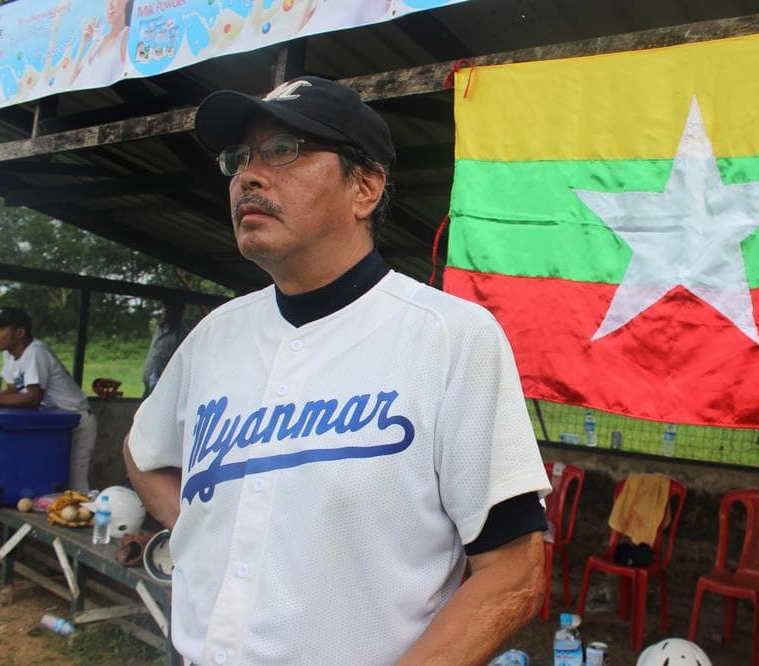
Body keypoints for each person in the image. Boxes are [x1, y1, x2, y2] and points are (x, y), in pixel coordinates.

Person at [124, 76, 551, 665]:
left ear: (365, 188)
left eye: (284, 150)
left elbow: (514, 573)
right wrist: (201, 532)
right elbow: (143, 452)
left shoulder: (451, 338)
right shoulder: (215, 334)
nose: (248, 175)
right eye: (239, 158)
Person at [0, 307, 97, 492]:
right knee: (49, 480)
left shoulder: (35, 352)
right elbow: (12, 392)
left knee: (74, 480)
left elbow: (32, 398)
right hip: (52, 422)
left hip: (76, 418)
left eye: (0, 329)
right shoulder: (9, 355)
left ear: (20, 333)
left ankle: (83, 517)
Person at [70, 0, 134, 89]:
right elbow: (71, 82)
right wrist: (83, 43)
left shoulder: (126, 37)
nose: (110, 5)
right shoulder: (98, 42)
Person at [141, 299, 186, 398]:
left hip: (162, 386)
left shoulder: (182, 335)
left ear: (179, 313)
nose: (165, 311)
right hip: (149, 383)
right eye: (165, 308)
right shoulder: (159, 328)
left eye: (170, 309)